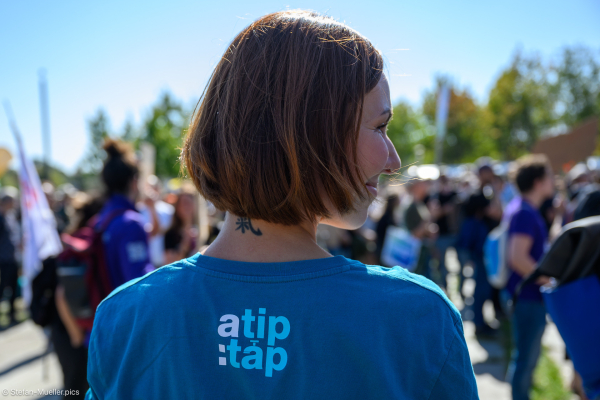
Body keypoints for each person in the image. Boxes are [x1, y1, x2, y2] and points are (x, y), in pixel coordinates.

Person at [85, 11, 478, 399]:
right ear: (308, 133)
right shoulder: (416, 320)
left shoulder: (127, 318)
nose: (393, 160)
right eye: (379, 126)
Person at [502, 154, 555, 400]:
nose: (553, 181)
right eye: (549, 176)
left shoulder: (523, 208)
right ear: (537, 182)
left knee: (525, 357)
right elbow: (518, 258)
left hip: (525, 296)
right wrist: (548, 280)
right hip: (528, 298)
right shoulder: (524, 212)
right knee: (525, 358)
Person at [96, 139, 153, 289]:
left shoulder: (102, 217)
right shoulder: (131, 223)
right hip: (125, 311)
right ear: (133, 182)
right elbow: (141, 284)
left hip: (105, 310)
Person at [164, 187, 198, 264]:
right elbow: (170, 264)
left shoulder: (208, 229)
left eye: (189, 203)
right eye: (183, 203)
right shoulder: (170, 234)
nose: (186, 206)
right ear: (177, 207)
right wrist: (185, 243)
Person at [0, 187, 19, 324]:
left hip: (12, 258)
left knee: (13, 287)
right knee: (2, 288)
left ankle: (12, 315)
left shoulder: (11, 216)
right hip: (3, 259)